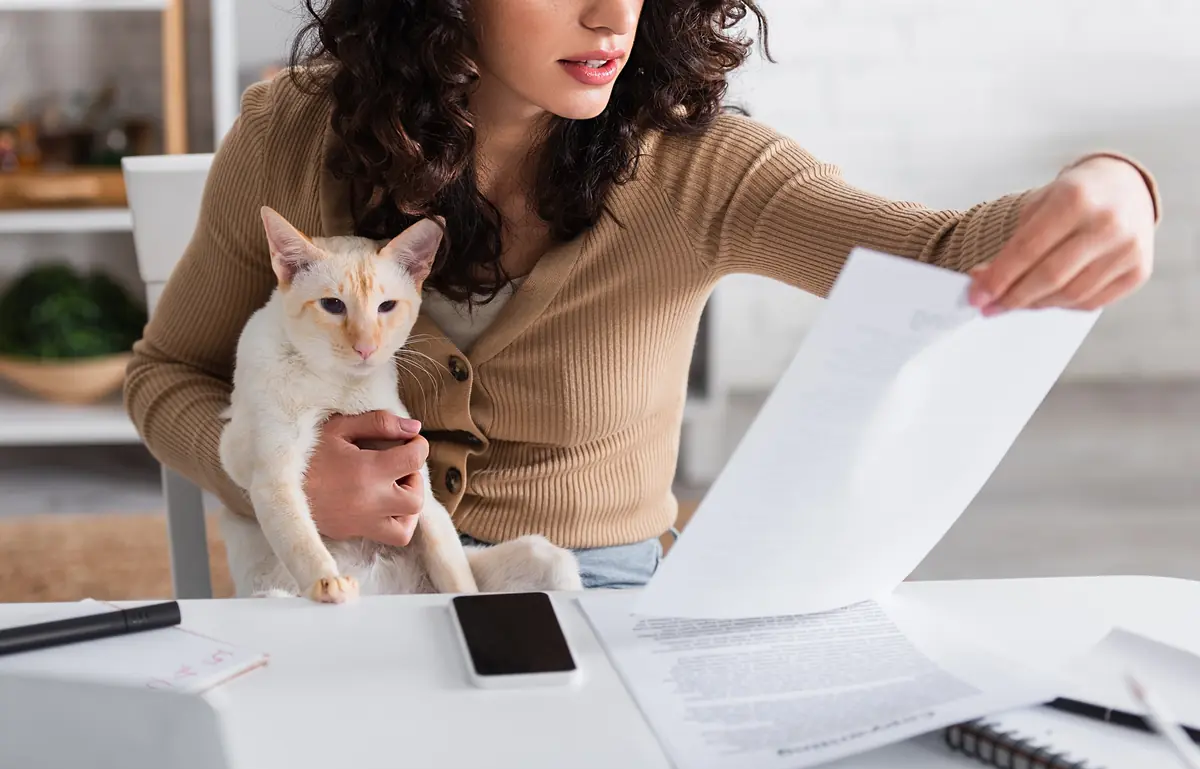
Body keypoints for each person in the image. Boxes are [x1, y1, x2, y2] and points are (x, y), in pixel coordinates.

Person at [124, 0, 1160, 591]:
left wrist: (1119, 187)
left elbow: (943, 251)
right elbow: (167, 373)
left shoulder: (703, 169)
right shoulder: (290, 133)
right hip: (345, 599)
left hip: (600, 610)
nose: (609, 15)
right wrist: (276, 474)